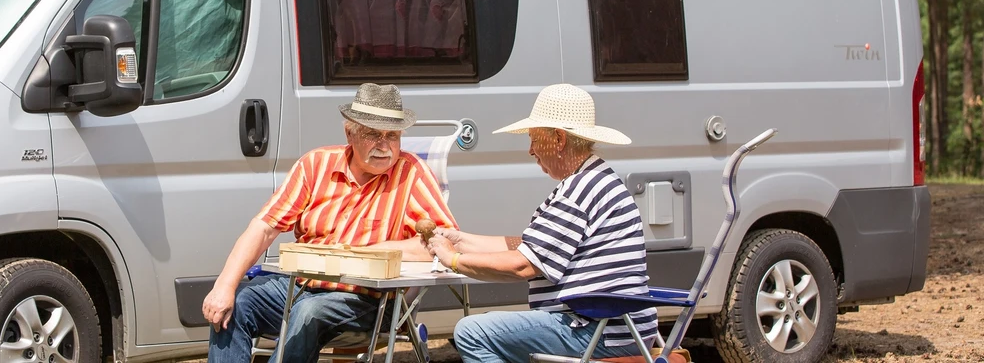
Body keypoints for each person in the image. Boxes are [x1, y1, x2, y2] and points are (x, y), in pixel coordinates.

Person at [203, 83, 458, 363]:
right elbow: (264, 227)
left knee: (310, 312)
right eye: (373, 134)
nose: (385, 146)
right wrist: (224, 286)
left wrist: (375, 249)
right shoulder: (315, 165)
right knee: (237, 303)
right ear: (350, 133)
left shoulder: (411, 174)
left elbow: (444, 241)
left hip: (370, 300)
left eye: (393, 136)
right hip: (299, 287)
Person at [424, 83, 658, 363]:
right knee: (493, 326)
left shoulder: (577, 191)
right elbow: (530, 246)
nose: (531, 151)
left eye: (535, 139)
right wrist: (462, 240)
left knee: (472, 332)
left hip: (600, 330)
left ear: (558, 140)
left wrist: (453, 259)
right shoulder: (595, 179)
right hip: (615, 327)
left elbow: (524, 264)